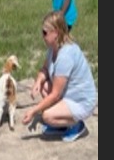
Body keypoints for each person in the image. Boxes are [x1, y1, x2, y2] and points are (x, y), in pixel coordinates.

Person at [21, 11, 97, 142]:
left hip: (81, 101)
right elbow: (45, 69)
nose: (42, 36)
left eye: (45, 32)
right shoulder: (53, 48)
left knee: (47, 116)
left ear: (55, 33)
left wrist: (33, 111)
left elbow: (55, 94)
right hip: (69, 94)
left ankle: (76, 125)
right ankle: (62, 123)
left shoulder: (65, 55)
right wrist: (38, 82)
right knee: (44, 86)